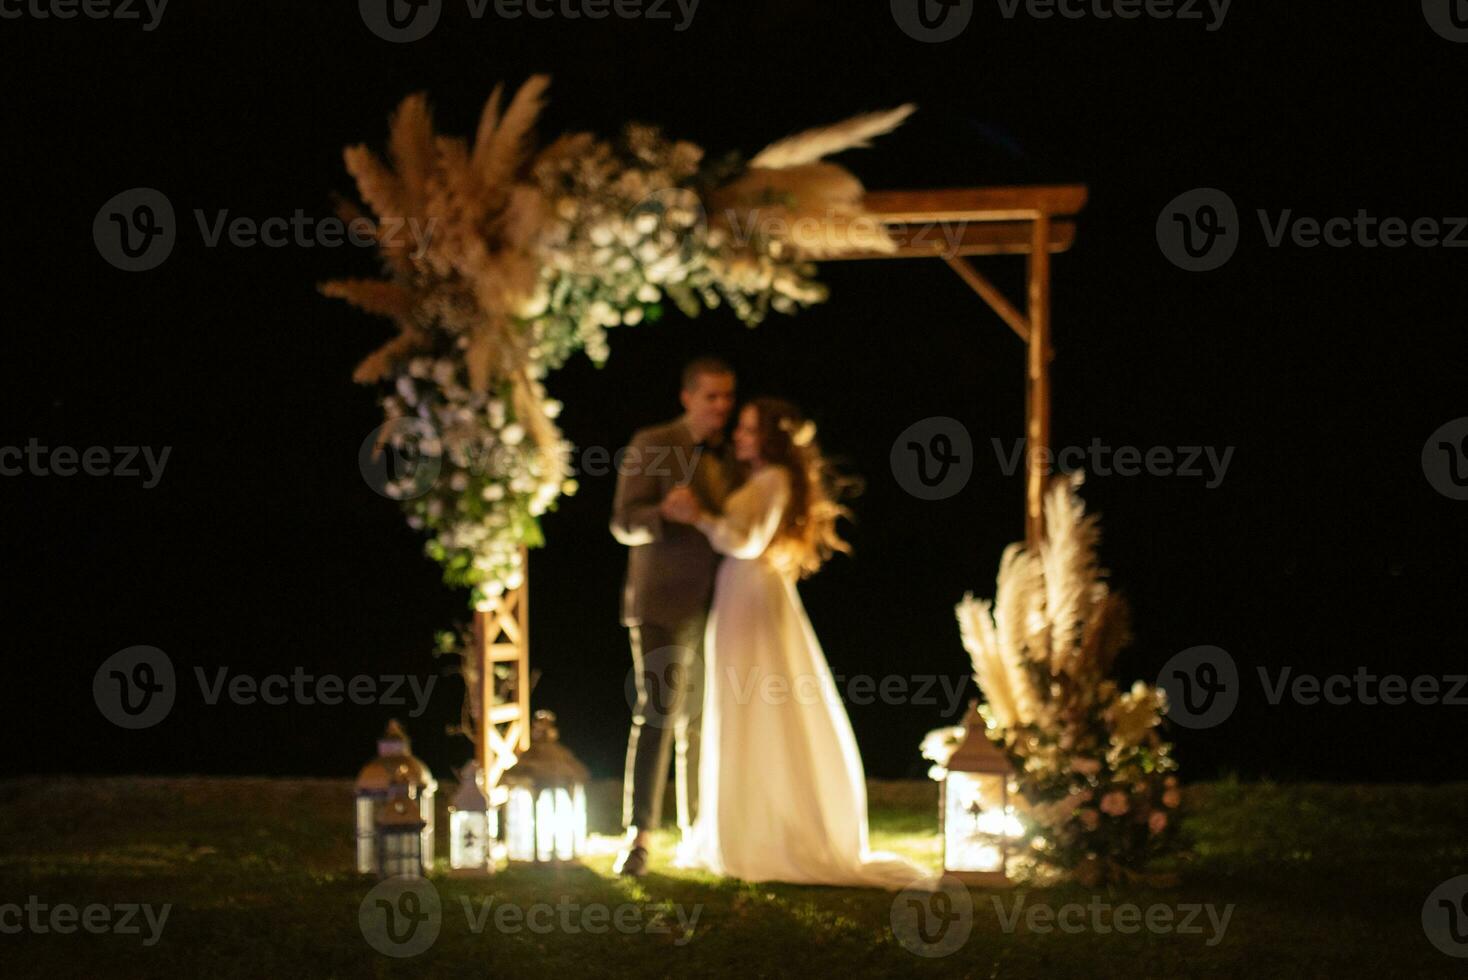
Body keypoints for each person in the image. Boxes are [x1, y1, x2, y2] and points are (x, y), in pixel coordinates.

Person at [664, 397, 930, 889]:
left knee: (756, 704)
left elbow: (748, 542)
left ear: (770, 438)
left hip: (752, 593)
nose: (739, 436)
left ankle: (766, 831)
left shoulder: (776, 481)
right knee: (737, 705)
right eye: (740, 428)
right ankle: (738, 826)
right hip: (742, 593)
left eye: (748, 429)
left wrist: (698, 516)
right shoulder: (759, 480)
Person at [610, 356, 741, 877]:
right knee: (658, 713)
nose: (721, 407)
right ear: (687, 397)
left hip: (715, 604)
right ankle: (638, 836)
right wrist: (663, 513)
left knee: (701, 720)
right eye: (711, 396)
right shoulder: (652, 442)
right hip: (660, 602)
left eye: (728, 397)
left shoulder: (731, 455)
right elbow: (622, 522)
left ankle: (696, 832)